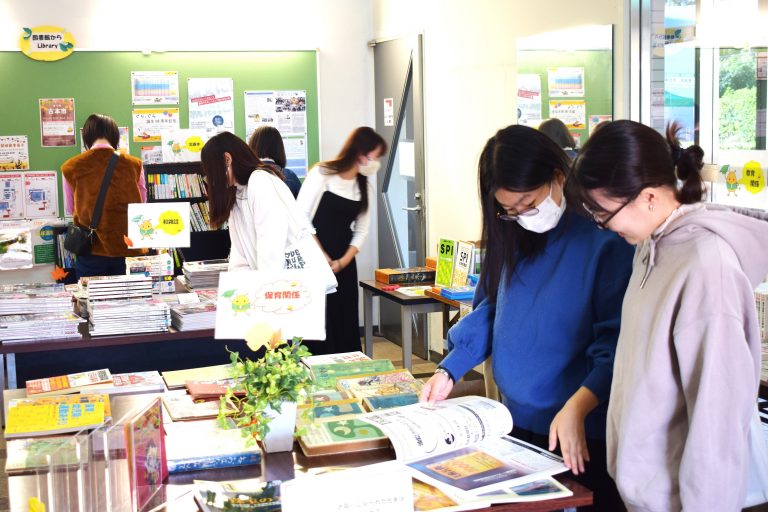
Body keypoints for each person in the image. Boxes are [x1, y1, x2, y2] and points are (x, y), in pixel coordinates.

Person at [420, 125, 633, 511]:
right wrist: (449, 369)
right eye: (509, 209)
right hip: (514, 421)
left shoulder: (604, 236)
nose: (522, 215)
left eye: (529, 203)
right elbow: (492, 309)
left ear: (558, 175)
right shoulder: (513, 231)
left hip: (579, 429)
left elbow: (616, 343)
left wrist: (579, 408)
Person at [567, 119, 768, 511]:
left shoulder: (707, 267)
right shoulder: (649, 245)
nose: (602, 225)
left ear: (648, 198)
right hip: (643, 493)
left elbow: (717, 423)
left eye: (603, 212)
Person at [296, 127, 387, 355]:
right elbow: (301, 218)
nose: (373, 162)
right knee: (319, 320)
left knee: (345, 317)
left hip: (344, 262)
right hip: (315, 257)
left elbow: (362, 230)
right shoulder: (322, 173)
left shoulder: (364, 186)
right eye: (372, 156)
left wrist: (342, 261)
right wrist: (324, 258)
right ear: (359, 152)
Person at [201, 131, 303, 273]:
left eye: (211, 170)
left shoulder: (260, 181)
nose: (211, 178)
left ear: (227, 159)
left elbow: (271, 247)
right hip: (268, 283)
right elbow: (239, 255)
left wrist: (262, 288)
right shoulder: (236, 192)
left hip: (284, 284)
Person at [62, 114, 147, 278]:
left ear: (87, 136)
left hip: (91, 250)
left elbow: (71, 208)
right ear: (115, 135)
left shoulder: (71, 167)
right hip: (128, 248)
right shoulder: (134, 164)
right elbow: (141, 202)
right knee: (132, 299)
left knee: (92, 298)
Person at [248, 126, 302, 198]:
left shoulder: (244, 176)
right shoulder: (289, 176)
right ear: (279, 148)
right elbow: (302, 206)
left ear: (252, 146)